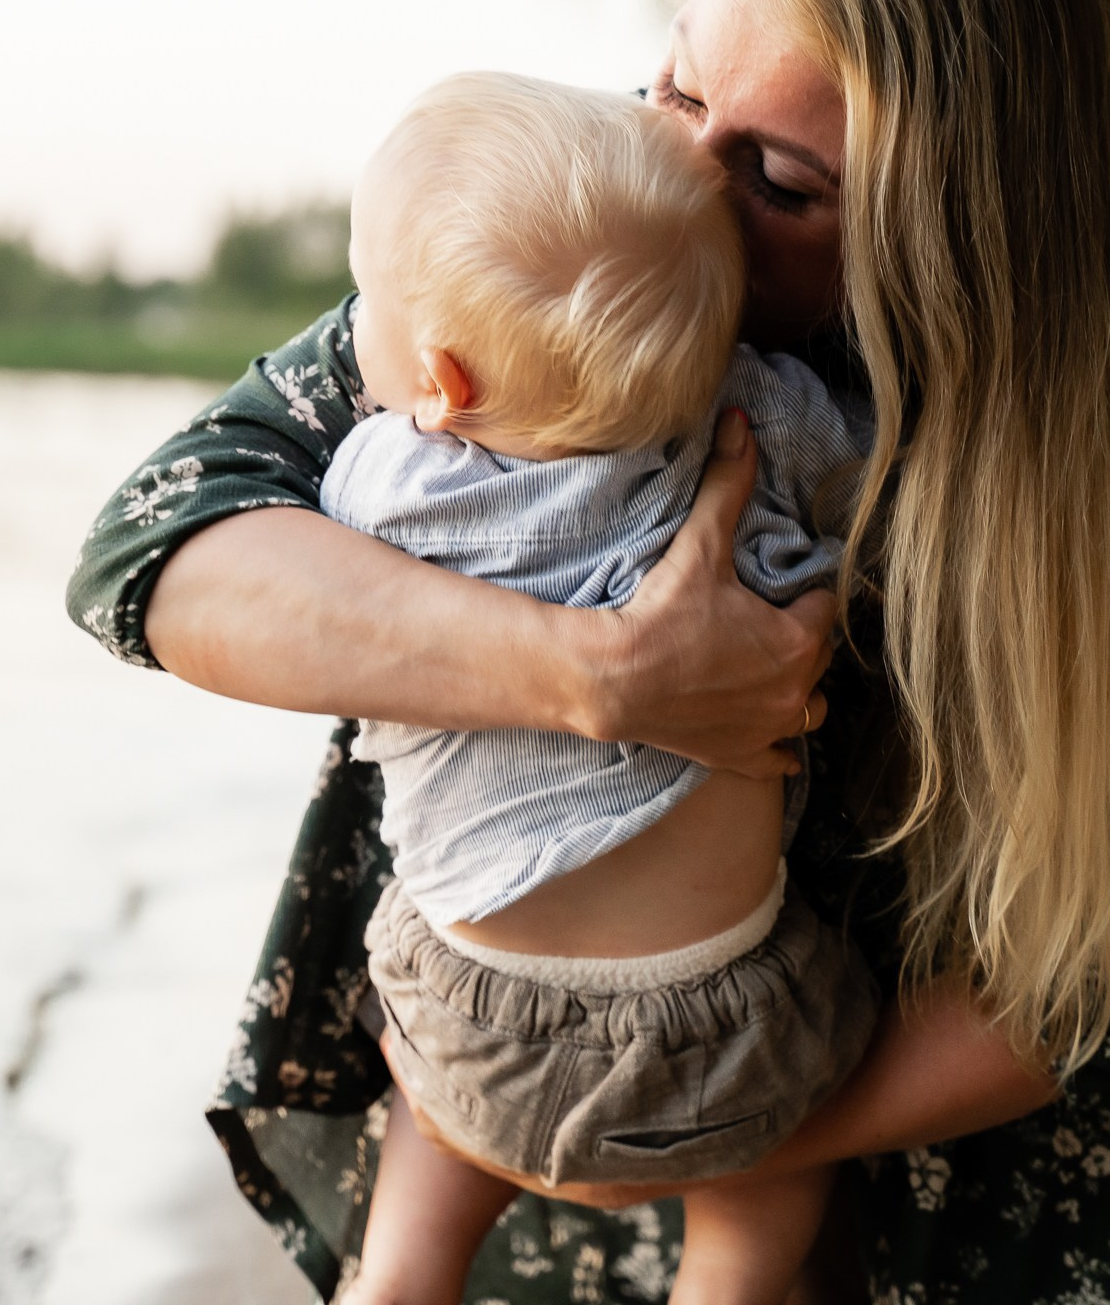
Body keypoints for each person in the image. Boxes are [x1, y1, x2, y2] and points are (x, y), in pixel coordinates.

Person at [67, 0, 1110, 1303]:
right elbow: (160, 548)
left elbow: (1073, 976)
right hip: (692, 796)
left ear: (955, 238)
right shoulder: (605, 217)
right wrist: (597, 673)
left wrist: (697, 1144)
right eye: (675, 99)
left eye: (783, 185)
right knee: (456, 580)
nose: (686, 191)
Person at [320, 71, 874, 1305]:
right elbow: (866, 458)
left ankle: (398, 1282)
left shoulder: (374, 478)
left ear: (443, 383)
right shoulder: (758, 418)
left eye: (368, 299)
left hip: (471, 1026)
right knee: (762, 1208)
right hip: (734, 1032)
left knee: (416, 1174)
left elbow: (290, 578)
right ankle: (724, 1281)